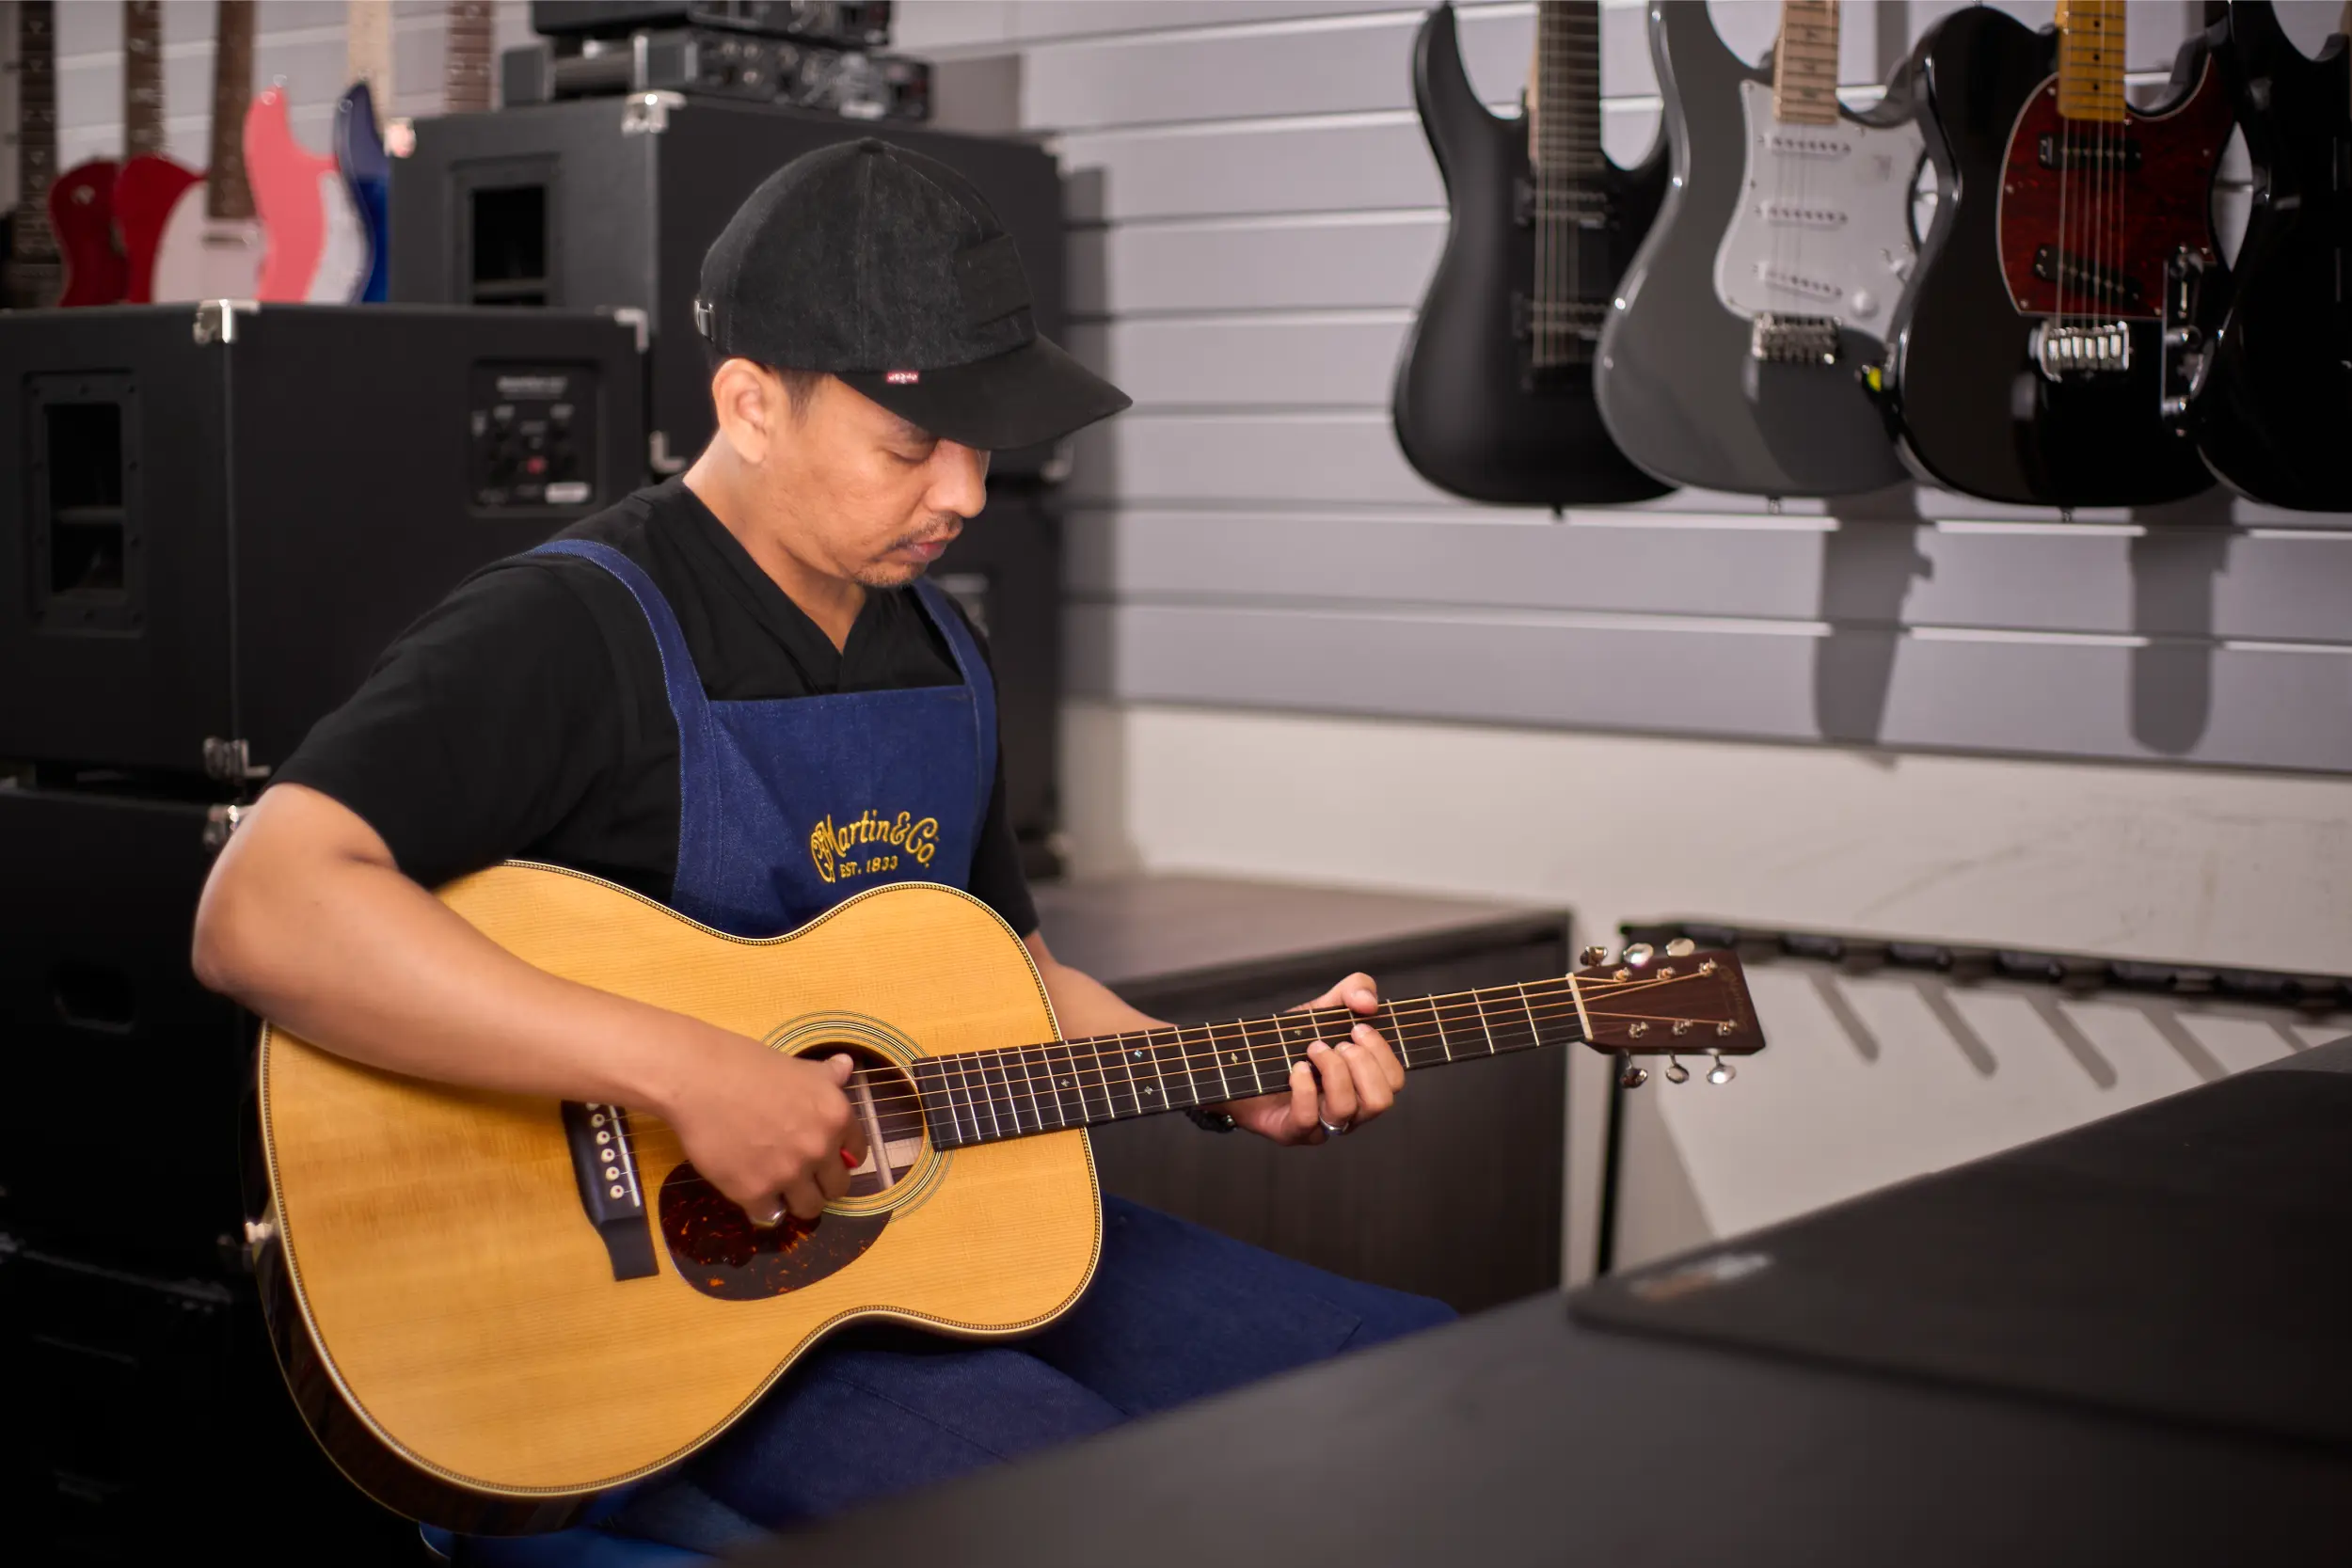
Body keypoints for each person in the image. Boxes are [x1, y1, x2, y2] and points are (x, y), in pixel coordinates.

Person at [194, 139, 1450, 1555]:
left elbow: (1008, 980)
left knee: (1418, 1381)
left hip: (924, 1234)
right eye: (914, 447)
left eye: (986, 447)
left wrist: (1226, 1074)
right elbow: (261, 908)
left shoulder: (941, 647)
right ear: (750, 403)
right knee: (1096, 1510)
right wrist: (688, 1071)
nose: (964, 494)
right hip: (659, 1306)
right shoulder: (569, 629)